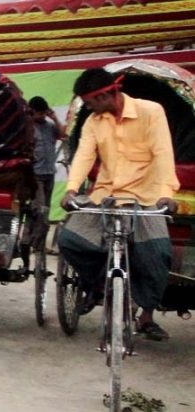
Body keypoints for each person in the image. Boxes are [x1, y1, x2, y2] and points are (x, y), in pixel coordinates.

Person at [58, 67, 179, 341]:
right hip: (105, 197)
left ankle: (146, 314)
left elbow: (163, 153)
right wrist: (73, 189)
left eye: (90, 103)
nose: (89, 108)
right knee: (70, 240)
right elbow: (84, 156)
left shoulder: (151, 112)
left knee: (157, 254)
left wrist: (166, 193)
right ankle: (99, 285)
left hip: (146, 199)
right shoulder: (93, 121)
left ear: (106, 95)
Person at [20, 96, 65, 266]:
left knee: (45, 209)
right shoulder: (27, 128)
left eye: (44, 113)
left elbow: (63, 135)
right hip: (35, 175)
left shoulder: (50, 127)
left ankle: (34, 243)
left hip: (49, 174)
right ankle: (30, 242)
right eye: (39, 113)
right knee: (38, 210)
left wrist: (54, 117)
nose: (42, 116)